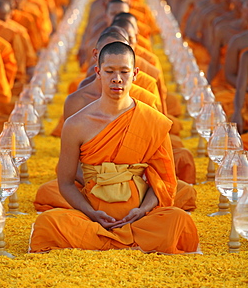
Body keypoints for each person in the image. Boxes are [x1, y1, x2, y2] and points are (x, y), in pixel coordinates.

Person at [30, 42, 199, 254]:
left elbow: (163, 181)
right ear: (98, 72)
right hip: (92, 215)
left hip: (139, 217)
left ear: (135, 74)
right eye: (109, 71)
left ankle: (103, 241)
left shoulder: (151, 120)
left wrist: (142, 210)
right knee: (47, 223)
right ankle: (127, 241)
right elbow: (65, 182)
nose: (117, 79)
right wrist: (91, 213)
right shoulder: (76, 124)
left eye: (124, 72)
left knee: (179, 221)